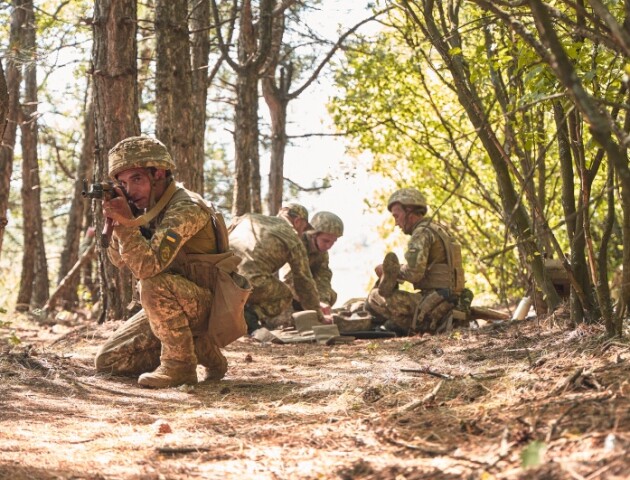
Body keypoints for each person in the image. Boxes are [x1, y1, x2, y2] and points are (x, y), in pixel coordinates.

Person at [94, 136, 236, 388]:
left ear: (158, 173)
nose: (129, 189)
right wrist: (120, 224)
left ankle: (179, 366)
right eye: (123, 182)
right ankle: (201, 349)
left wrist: (128, 227)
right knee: (108, 362)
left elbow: (147, 269)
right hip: (173, 304)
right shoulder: (146, 208)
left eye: (136, 179)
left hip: (208, 305)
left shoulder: (187, 208)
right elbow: (118, 261)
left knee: (152, 284)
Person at [366, 187, 468, 335]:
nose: (396, 223)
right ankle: (399, 324)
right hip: (450, 299)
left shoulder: (421, 233)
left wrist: (391, 272)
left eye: (397, 216)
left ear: (409, 211)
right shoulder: (439, 229)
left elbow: (414, 274)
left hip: (435, 302)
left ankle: (414, 325)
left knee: (375, 297)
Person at [229, 204, 324, 333]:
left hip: (224, 276)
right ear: (298, 221)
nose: (304, 232)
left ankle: (241, 312)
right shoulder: (292, 238)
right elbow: (304, 281)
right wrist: (317, 314)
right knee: (285, 295)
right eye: (304, 228)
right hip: (251, 282)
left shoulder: (248, 218)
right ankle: (250, 316)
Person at [284, 211, 343, 315]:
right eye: (325, 241)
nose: (329, 246)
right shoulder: (296, 244)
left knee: (331, 295)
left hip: (306, 293)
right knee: (285, 320)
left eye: (333, 242)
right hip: (286, 292)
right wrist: (314, 303)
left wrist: (323, 301)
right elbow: (289, 281)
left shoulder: (322, 252)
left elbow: (323, 277)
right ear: (313, 235)